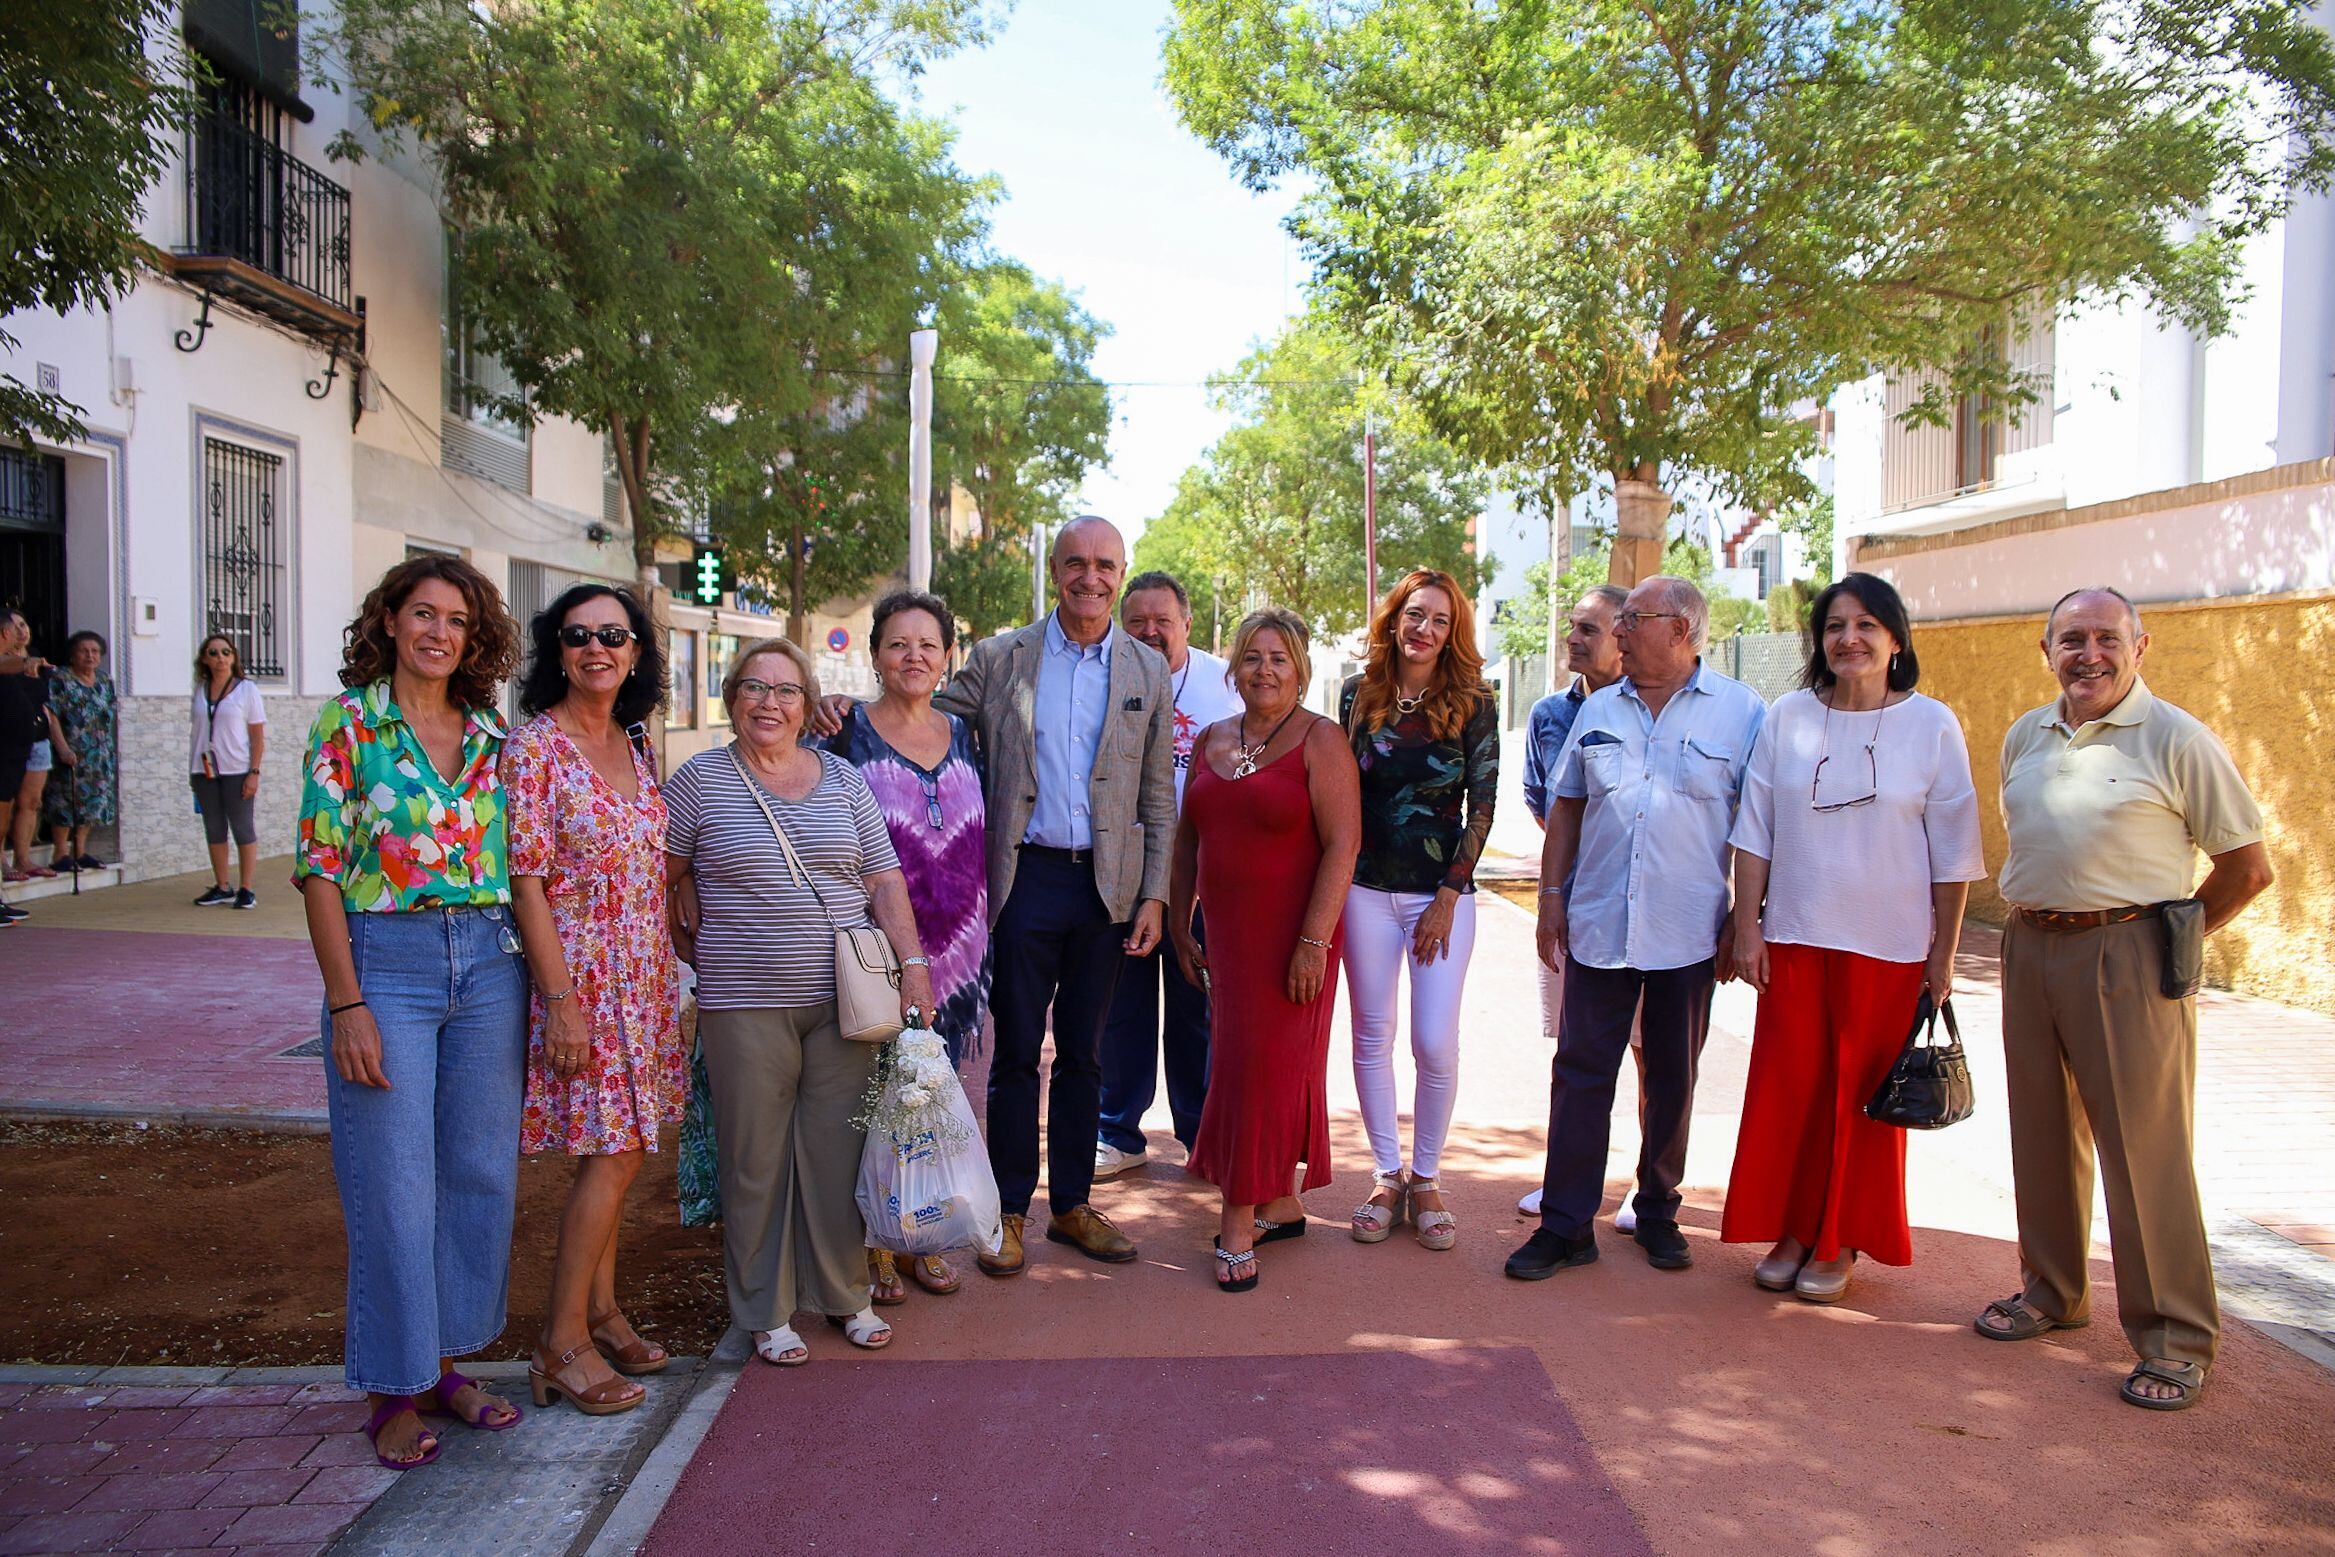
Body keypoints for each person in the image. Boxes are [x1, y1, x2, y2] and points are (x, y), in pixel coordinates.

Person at [817, 516, 1176, 1275]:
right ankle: (1008, 1210)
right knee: (1016, 1051)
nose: (1090, 577)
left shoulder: (1146, 668)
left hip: (1107, 887)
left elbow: (1155, 794)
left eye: (1104, 564)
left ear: (1121, 571)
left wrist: (1155, 894)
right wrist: (839, 709)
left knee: (1085, 1052)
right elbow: (912, 707)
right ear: (1054, 569)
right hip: (1021, 878)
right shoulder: (1000, 656)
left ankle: (1072, 1204)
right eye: (1075, 562)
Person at [1975, 586, 2271, 1412]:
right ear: (2047, 651)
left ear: (2140, 647)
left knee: (2144, 1152)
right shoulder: (2024, 736)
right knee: (2039, 1131)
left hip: (2126, 951)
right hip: (2029, 945)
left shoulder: (2175, 737)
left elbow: (2247, 866)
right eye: (2071, 639)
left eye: (2106, 638)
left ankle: (2175, 1338)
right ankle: (2051, 1291)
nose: (2088, 654)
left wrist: (2165, 942)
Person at [294, 554, 528, 1469]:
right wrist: (346, 998)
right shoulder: (348, 722)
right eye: (422, 614)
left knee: (476, 1172)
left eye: (456, 621)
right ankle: (393, 1388)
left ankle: (440, 1364)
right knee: (393, 1182)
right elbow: (317, 868)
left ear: (474, 638)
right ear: (388, 622)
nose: (438, 632)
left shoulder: (488, 732)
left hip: (489, 964)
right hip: (384, 962)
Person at [665, 638, 935, 1367]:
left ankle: (846, 1295)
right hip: (743, 1001)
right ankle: (764, 1308)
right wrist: (683, 929)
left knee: (834, 1153)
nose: (769, 703)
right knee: (754, 1159)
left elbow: (883, 881)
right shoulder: (698, 782)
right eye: (754, 688)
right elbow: (661, 872)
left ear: (806, 703)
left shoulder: (844, 781)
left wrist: (913, 964)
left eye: (786, 690)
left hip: (845, 1001)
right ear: (732, 699)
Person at [1719, 574, 1987, 1302]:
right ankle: (1793, 1230)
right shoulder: (1786, 717)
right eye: (1835, 625)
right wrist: (1747, 927)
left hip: (1890, 945)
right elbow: (1753, 830)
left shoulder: (1931, 724)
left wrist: (1943, 954)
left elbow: (1954, 849)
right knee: (1792, 1090)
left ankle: (1837, 1239)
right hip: (1798, 933)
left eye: (1867, 624)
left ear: (1895, 638)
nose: (1849, 638)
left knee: (1860, 1099)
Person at [1508, 576, 1766, 1280]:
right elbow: (1564, 805)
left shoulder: (1741, 713)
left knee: (1674, 1076)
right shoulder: (1600, 709)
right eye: (1617, 620)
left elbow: (1757, 829)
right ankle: (1565, 1225)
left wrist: (1744, 920)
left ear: (1680, 629)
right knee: (1580, 1072)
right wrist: (1551, 899)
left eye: (1632, 619)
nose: (1618, 630)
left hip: (1687, 930)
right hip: (1597, 924)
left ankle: (1656, 1209)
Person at [504, 584, 682, 1417]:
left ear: (637, 650)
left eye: (613, 634)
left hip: (641, 980)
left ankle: (604, 1312)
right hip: (582, 978)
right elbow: (526, 880)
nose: (596, 648)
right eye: (578, 636)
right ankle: (560, 1342)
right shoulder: (535, 747)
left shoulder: (632, 740)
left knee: (622, 1150)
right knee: (610, 1154)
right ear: (558, 651)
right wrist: (560, 1000)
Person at [1175, 609, 1360, 1292]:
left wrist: (1313, 940)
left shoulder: (1320, 739)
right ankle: (1278, 1200)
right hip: (1226, 933)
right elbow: (1186, 839)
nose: (1264, 670)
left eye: (1279, 658)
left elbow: (1343, 844)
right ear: (1233, 667)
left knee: (1256, 1069)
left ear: (1301, 668)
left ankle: (1235, 1219)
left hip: (1294, 937)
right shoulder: (1210, 739)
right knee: (1252, 1063)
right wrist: (1177, 922)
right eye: (1252, 656)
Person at [818, 589, 990, 1301]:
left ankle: (923, 1234)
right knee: (875, 1102)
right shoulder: (840, 731)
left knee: (938, 1102)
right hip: (877, 949)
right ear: (875, 655)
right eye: (897, 643)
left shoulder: (968, 733)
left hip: (963, 954)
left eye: (928, 644)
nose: (913, 655)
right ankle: (875, 1243)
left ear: (948, 656)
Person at [1340, 568, 1499, 1252]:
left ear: (1452, 628)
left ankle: (1427, 1176)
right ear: (1393, 620)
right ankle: (1385, 1175)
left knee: (1433, 1039)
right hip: (1364, 891)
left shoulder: (1472, 699)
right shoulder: (1358, 695)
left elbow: (1483, 802)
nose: (1423, 628)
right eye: (1413, 614)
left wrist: (1449, 892)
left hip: (1441, 896)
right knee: (1371, 1036)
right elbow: (1341, 795)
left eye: (1437, 618)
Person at [1097, 570, 1243, 1179]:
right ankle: (1118, 1132)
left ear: (1187, 624)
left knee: (1197, 1008)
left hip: (1204, 877)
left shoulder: (1225, 685)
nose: (1151, 632)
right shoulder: (1101, 672)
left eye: (1164, 621)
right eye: (1138, 622)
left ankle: (1200, 1134)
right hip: (1124, 872)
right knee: (1121, 1007)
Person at [1515, 585, 1632, 1223]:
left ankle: (1647, 1186)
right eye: (1572, 626)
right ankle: (1567, 1181)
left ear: (1626, 635)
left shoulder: (1650, 707)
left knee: (1646, 1049)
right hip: (1571, 901)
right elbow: (1542, 800)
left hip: (1645, 910)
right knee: (1572, 1047)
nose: (1573, 638)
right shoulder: (1548, 715)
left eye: (1589, 628)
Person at [191, 633, 267, 909]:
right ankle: (222, 885)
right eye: (213, 653)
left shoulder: (247, 690)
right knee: (214, 827)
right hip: (204, 770)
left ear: (234, 657)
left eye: (225, 652)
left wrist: (254, 772)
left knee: (242, 827)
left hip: (238, 770)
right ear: (204, 658)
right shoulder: (200, 689)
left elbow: (257, 736)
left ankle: (246, 888)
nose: (220, 658)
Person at [45, 631, 118, 869]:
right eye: (83, 651)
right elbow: (52, 715)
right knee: (64, 802)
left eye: (95, 651)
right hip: (71, 752)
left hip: (99, 753)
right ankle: (60, 853)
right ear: (73, 655)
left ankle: (80, 851)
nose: (90, 655)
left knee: (93, 802)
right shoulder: (61, 678)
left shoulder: (105, 680)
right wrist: (63, 748)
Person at [0, 611, 46, 923]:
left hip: (14, 757)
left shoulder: (18, 663)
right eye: (14, 626)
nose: (21, 631)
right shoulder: (10, 662)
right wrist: (26, 663)